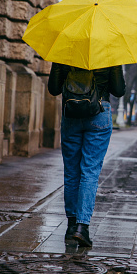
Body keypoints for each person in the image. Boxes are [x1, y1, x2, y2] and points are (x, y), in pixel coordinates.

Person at [48, 63, 125, 247]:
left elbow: (53, 89)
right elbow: (119, 90)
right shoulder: (109, 49)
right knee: (89, 171)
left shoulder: (65, 46)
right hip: (99, 111)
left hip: (71, 111)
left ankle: (71, 226)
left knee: (72, 171)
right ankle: (82, 227)